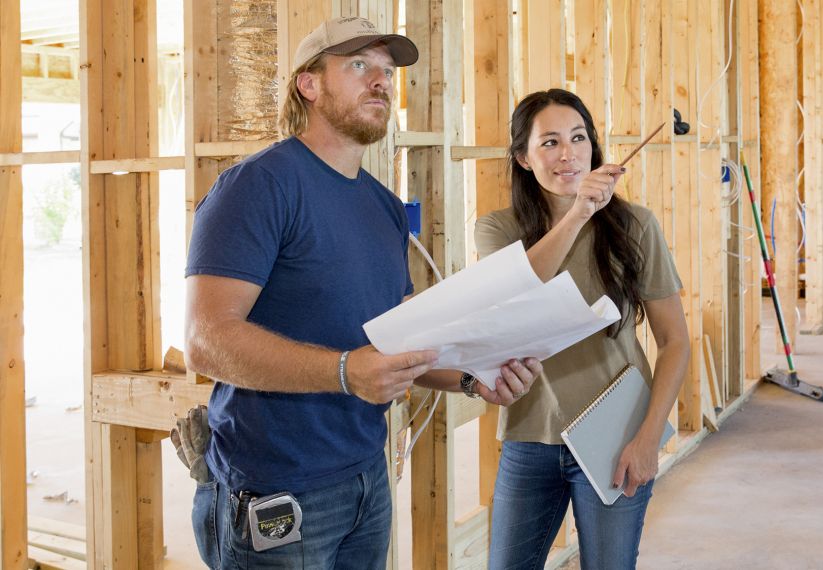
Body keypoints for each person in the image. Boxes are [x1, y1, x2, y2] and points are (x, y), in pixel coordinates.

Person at [183, 16, 541, 569]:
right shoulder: (259, 186)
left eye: (386, 71)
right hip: (279, 486)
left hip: (366, 479)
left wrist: (473, 378)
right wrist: (346, 372)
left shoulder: (381, 206)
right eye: (358, 66)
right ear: (309, 84)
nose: (381, 81)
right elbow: (207, 341)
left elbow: (394, 346)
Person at [476, 88, 692, 570]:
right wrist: (578, 213)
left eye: (579, 138)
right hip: (529, 438)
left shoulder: (636, 226)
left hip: (617, 436)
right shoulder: (497, 231)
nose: (568, 153)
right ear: (523, 158)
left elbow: (675, 341)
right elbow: (518, 291)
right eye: (549, 142)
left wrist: (648, 437)